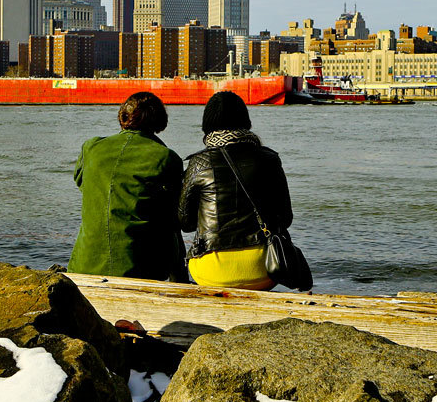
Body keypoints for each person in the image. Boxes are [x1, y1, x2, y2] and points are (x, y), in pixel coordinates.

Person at [179, 91, 293, 290]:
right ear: (246, 121)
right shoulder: (270, 159)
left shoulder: (198, 163)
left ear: (207, 125)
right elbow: (286, 218)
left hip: (212, 271)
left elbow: (185, 223)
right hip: (265, 269)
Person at [68, 92, 186, 280]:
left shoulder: (91, 148)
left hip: (85, 265)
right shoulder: (166, 158)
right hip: (141, 269)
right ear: (159, 120)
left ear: (122, 115)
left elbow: (83, 184)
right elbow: (175, 216)